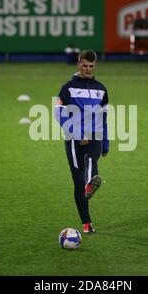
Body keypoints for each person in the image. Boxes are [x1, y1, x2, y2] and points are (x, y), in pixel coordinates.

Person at [54, 50, 109, 234]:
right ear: (78, 64)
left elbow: (104, 117)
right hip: (73, 139)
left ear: (95, 66)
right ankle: (86, 223)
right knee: (77, 181)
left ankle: (92, 182)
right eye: (84, 65)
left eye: (91, 66)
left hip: (95, 135)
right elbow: (58, 113)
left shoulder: (101, 89)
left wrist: (106, 142)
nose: (87, 69)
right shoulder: (68, 87)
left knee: (92, 160)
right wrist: (77, 133)